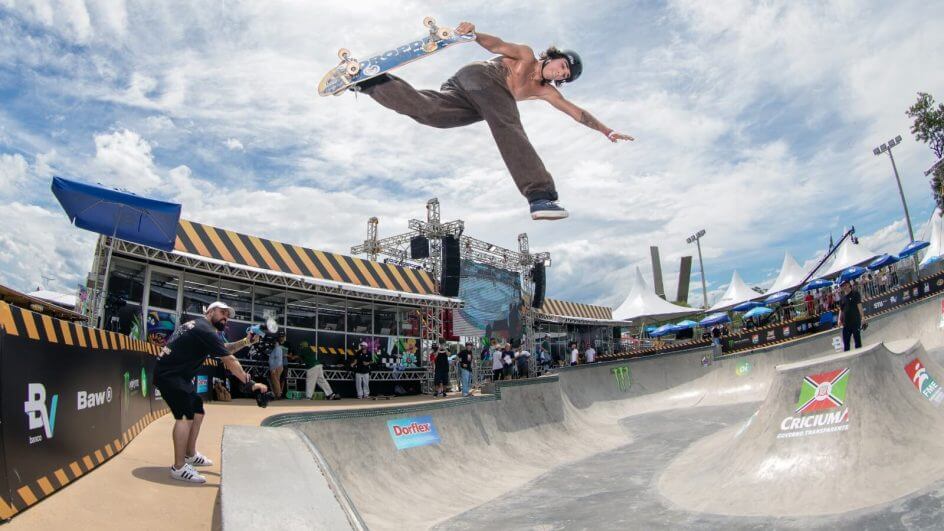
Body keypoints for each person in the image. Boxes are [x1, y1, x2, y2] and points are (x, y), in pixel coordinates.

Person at [355, 21, 633, 221]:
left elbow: (576, 112)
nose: (560, 75)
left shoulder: (544, 91)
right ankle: (539, 195)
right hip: (481, 77)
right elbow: (497, 45)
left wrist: (606, 130)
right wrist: (474, 34)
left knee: (432, 113)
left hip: (473, 99)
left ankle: (374, 83)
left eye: (564, 77)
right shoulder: (525, 55)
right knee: (508, 124)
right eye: (561, 67)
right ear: (553, 57)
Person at [154, 301, 267, 483]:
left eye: (228, 315)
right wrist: (251, 384)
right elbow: (229, 359)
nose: (226, 317)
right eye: (223, 312)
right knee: (185, 415)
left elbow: (226, 349)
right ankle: (178, 467)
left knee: (198, 410)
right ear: (211, 311)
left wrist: (246, 341)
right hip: (169, 375)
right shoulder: (204, 330)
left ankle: (190, 455)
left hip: (179, 376)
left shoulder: (205, 329)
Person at [838, 281, 865, 351]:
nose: (844, 287)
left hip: (855, 321)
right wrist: (839, 319)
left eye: (846, 285)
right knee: (846, 342)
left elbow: (859, 305)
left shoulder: (855, 294)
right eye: (843, 286)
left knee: (857, 341)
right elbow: (841, 310)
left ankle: (860, 355)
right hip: (846, 323)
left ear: (849, 285)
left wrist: (863, 317)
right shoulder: (842, 298)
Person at [268, 332, 286, 399]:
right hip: (277, 366)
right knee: (276, 381)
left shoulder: (277, 348)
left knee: (276, 381)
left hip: (276, 367)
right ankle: (277, 394)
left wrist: (273, 368)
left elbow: (278, 359)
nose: (272, 343)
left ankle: (278, 395)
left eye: (273, 342)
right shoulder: (275, 348)